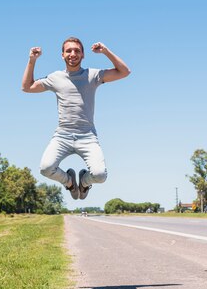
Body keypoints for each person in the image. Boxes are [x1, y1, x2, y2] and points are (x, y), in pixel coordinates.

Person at [22, 37, 131, 200]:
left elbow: (124, 72)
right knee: (45, 168)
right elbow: (27, 87)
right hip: (62, 135)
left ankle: (84, 182)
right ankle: (70, 183)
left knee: (100, 175)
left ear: (83, 55)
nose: (73, 54)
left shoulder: (92, 75)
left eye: (77, 51)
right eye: (69, 51)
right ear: (62, 55)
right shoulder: (55, 77)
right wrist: (32, 60)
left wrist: (106, 52)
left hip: (87, 136)